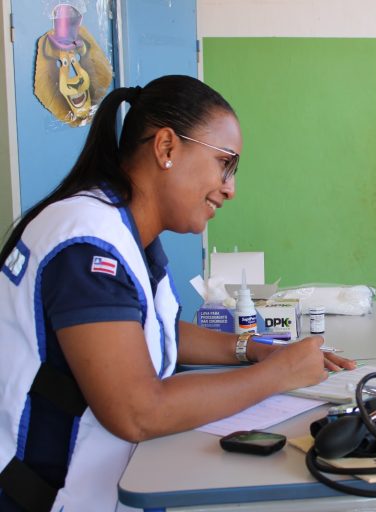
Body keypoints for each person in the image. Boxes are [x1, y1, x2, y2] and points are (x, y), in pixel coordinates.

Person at [0, 75, 355, 511]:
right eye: (224, 163)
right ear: (166, 148)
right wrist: (279, 375)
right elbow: (138, 412)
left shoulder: (123, 229)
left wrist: (254, 348)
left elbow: (158, 329)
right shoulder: (88, 248)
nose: (230, 188)